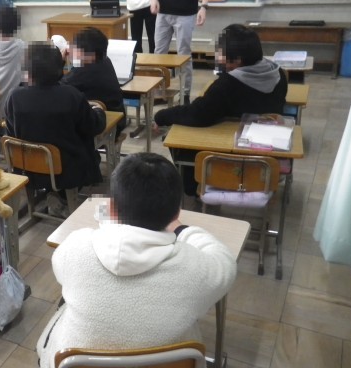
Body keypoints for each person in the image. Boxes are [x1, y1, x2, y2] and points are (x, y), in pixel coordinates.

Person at [36, 153, 237, 368]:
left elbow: (60, 269)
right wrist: (181, 229)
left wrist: (109, 225)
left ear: (111, 209)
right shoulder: (194, 268)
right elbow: (225, 261)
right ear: (175, 213)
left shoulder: (76, 246)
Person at [154, 24, 287, 196]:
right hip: (268, 157)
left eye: (220, 52)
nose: (217, 56)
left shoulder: (228, 84)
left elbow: (197, 114)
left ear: (237, 60)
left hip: (232, 157)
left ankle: (194, 187)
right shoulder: (278, 74)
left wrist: (162, 116)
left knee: (177, 135)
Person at [5, 43, 106, 198]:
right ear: (59, 68)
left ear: (27, 70)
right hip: (67, 171)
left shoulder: (14, 97)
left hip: (27, 167)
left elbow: (11, 134)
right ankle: (63, 197)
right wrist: (99, 111)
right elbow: (93, 127)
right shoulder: (71, 95)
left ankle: (46, 197)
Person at [61, 28, 126, 136]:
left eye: (75, 48)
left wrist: (60, 62)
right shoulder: (104, 60)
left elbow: (56, 87)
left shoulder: (85, 71)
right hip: (115, 116)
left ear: (90, 54)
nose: (71, 50)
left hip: (108, 123)